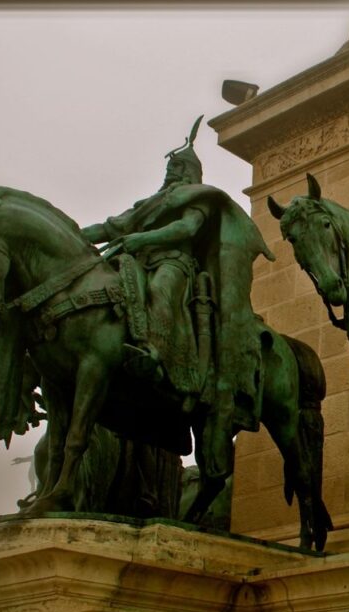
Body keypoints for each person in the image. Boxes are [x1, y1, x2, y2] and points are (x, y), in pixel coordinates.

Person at [81, 116, 274, 408]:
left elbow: (186, 229)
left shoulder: (198, 197)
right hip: (136, 259)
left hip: (175, 263)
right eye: (170, 168)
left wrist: (142, 240)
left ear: (191, 172)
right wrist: (70, 234)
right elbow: (110, 228)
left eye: (177, 168)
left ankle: (153, 353)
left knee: (161, 290)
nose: (171, 173)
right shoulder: (151, 202)